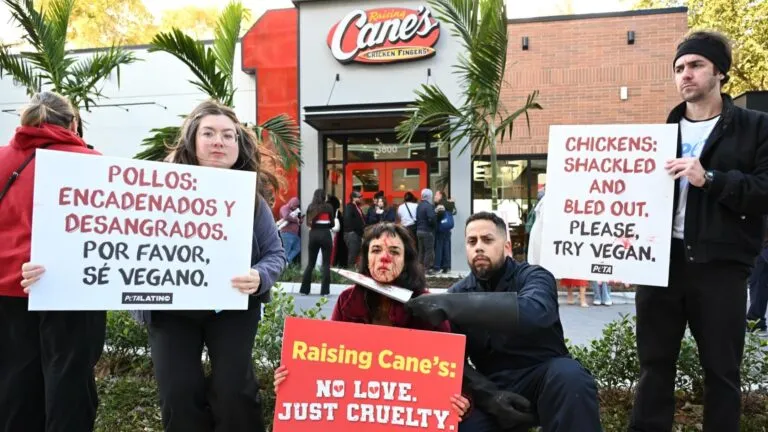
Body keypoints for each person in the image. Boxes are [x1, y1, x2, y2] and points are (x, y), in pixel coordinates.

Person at [629, 31, 768, 432]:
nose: (685, 75)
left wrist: (711, 179)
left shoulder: (755, 128)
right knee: (654, 367)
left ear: (719, 72)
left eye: (695, 65)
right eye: (679, 68)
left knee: (722, 371)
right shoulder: (662, 134)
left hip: (721, 265)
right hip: (660, 264)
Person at [147, 100, 286, 431]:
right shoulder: (155, 191)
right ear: (193, 140)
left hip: (232, 309)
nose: (218, 141)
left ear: (239, 145)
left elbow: (275, 254)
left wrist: (259, 276)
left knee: (234, 391)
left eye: (228, 135)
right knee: (178, 394)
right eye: (208, 133)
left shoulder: (250, 197)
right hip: (171, 311)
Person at [406, 212, 602, 432]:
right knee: (458, 422)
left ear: (507, 246)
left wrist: (450, 304)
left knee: (571, 377)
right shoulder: (457, 293)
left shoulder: (534, 276)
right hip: (493, 385)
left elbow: (536, 312)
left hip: (547, 375)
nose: (479, 247)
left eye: (487, 240)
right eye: (472, 241)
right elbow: (454, 362)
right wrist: (491, 397)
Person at [274, 222, 470, 419]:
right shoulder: (347, 300)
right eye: (376, 250)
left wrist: (461, 399)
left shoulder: (427, 305)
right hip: (356, 415)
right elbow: (327, 362)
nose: (384, 258)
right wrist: (292, 380)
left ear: (406, 260)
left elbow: (449, 367)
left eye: (394, 251)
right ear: (366, 258)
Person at [1, 92, 105, 432]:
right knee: (70, 383)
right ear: (73, 123)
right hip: (74, 292)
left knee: (15, 382)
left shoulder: (2, 159)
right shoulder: (92, 162)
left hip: (9, 290)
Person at [299, 189, 335, 296]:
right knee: (326, 264)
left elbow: (308, 224)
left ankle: (304, 290)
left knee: (310, 263)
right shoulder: (328, 207)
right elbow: (332, 224)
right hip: (325, 235)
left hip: (313, 235)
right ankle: (325, 292)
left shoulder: (311, 207)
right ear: (324, 196)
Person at [434, 190, 457, 274]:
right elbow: (454, 212)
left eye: (436, 195)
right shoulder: (450, 204)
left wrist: (436, 220)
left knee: (439, 247)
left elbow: (439, 215)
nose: (435, 197)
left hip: (441, 228)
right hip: (448, 228)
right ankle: (446, 266)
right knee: (446, 246)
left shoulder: (441, 204)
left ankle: (437, 266)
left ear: (440, 195)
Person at [416, 188, 437, 275]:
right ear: (429, 196)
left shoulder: (419, 206)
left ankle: (419, 269)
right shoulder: (429, 206)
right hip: (427, 231)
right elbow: (431, 218)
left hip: (419, 231)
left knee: (421, 250)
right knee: (429, 250)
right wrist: (433, 226)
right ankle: (426, 269)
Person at [343, 190, 366, 268]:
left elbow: (361, 219)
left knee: (356, 255)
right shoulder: (349, 206)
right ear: (353, 198)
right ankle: (350, 274)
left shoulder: (357, 207)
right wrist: (354, 231)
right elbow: (347, 220)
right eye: (359, 197)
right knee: (352, 256)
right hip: (352, 235)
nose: (360, 199)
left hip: (358, 234)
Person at [278, 197, 302, 264]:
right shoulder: (284, 208)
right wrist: (296, 220)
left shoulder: (294, 211)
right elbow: (286, 216)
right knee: (286, 251)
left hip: (294, 234)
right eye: (295, 206)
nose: (296, 207)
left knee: (298, 247)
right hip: (286, 233)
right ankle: (283, 266)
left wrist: (299, 221)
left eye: (297, 206)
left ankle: (287, 261)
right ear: (291, 203)